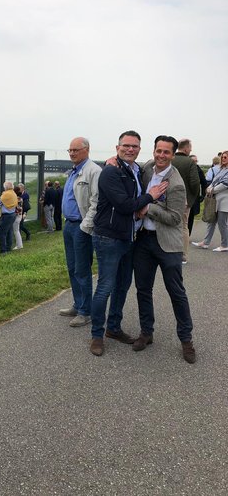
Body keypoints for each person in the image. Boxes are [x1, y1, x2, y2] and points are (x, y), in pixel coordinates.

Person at [89, 131, 168, 356]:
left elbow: (159, 162)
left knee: (122, 286)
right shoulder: (110, 172)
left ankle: (113, 328)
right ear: (117, 148)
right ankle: (97, 334)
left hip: (129, 237)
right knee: (105, 287)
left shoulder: (136, 170)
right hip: (109, 238)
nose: (130, 149)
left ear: (140, 149)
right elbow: (124, 205)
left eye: (134, 146)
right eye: (126, 146)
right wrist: (150, 196)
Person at [132, 135, 196, 364]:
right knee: (143, 289)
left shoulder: (176, 183)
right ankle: (146, 332)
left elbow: (176, 219)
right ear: (154, 151)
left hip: (168, 245)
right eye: (158, 150)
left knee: (176, 292)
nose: (161, 155)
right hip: (144, 241)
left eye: (166, 152)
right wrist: (113, 160)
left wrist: (148, 207)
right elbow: (133, 167)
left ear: (173, 154)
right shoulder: (148, 168)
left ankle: (186, 340)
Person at [60, 137, 101, 327]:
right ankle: (78, 304)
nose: (72, 153)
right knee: (71, 267)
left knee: (82, 269)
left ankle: (86, 311)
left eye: (75, 150)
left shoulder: (93, 171)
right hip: (69, 225)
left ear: (87, 149)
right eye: (69, 150)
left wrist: (86, 226)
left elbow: (96, 201)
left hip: (81, 226)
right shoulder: (74, 171)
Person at [171, 139, 200, 263]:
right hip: (184, 200)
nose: (191, 150)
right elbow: (195, 182)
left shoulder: (170, 159)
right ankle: (182, 255)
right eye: (190, 147)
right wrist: (191, 197)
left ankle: (169, 250)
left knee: (169, 225)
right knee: (183, 226)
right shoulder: (190, 162)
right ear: (186, 148)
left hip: (168, 198)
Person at [193, 150, 228, 252]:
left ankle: (225, 244)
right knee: (211, 221)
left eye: (225, 157)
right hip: (216, 200)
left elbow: (224, 184)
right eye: (222, 157)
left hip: (224, 202)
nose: (223, 159)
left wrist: (211, 189)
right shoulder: (222, 169)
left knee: (222, 224)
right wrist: (211, 187)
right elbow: (214, 181)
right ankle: (205, 242)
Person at [187, 155, 208, 235]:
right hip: (184, 196)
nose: (195, 162)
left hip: (194, 197)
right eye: (193, 161)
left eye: (196, 161)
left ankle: (188, 235)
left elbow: (204, 183)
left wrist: (202, 195)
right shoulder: (186, 169)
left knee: (191, 217)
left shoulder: (198, 170)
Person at [0, 181, 18, 254]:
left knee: (2, 233)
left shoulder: (5, 194)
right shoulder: (13, 193)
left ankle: (3, 250)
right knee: (9, 231)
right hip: (12, 214)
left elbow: (0, 203)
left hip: (6, 215)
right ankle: (8, 247)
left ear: (5, 187)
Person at [13, 186, 24, 250]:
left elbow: (18, 209)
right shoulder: (20, 198)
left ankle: (19, 245)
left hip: (17, 216)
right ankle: (19, 244)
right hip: (19, 215)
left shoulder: (16, 199)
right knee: (16, 230)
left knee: (16, 231)